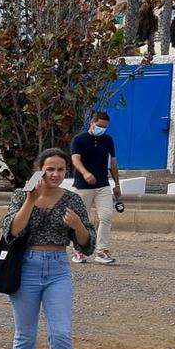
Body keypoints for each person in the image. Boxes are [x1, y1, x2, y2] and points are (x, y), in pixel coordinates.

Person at [3, 147, 91, 349]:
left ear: (67, 171)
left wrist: (78, 227)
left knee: (61, 333)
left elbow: (87, 245)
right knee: (25, 333)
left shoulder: (73, 200)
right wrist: (31, 200)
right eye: (50, 169)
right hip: (26, 266)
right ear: (40, 169)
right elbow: (12, 231)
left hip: (57, 268)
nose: (55, 174)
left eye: (60, 169)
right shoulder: (21, 195)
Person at [67, 110, 120, 265]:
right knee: (81, 219)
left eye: (104, 127)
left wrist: (117, 184)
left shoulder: (108, 140)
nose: (101, 129)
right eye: (99, 126)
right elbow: (75, 159)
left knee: (106, 216)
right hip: (83, 186)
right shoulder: (79, 140)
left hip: (103, 184)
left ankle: (101, 250)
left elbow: (113, 163)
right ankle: (79, 249)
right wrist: (85, 173)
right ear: (92, 123)